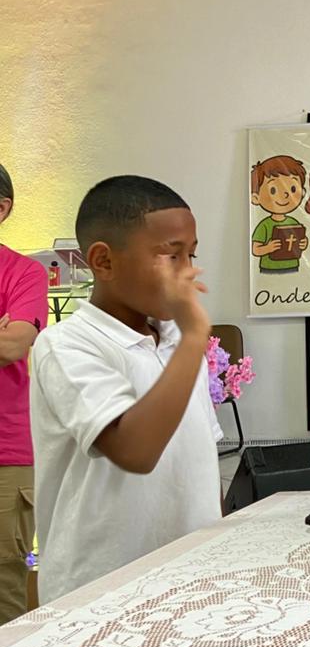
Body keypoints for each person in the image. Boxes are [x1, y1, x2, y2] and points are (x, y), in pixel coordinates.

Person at [30, 176, 222, 604]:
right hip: (97, 591)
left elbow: (200, 461)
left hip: (190, 580)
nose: (187, 272)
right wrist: (194, 338)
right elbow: (135, 451)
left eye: (191, 255)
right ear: (104, 261)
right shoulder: (66, 345)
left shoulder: (176, 341)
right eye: (170, 255)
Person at [0, 163, 48, 622]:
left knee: (3, 586)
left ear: (2, 208)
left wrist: (7, 336)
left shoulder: (24, 273)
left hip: (5, 454)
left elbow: (13, 344)